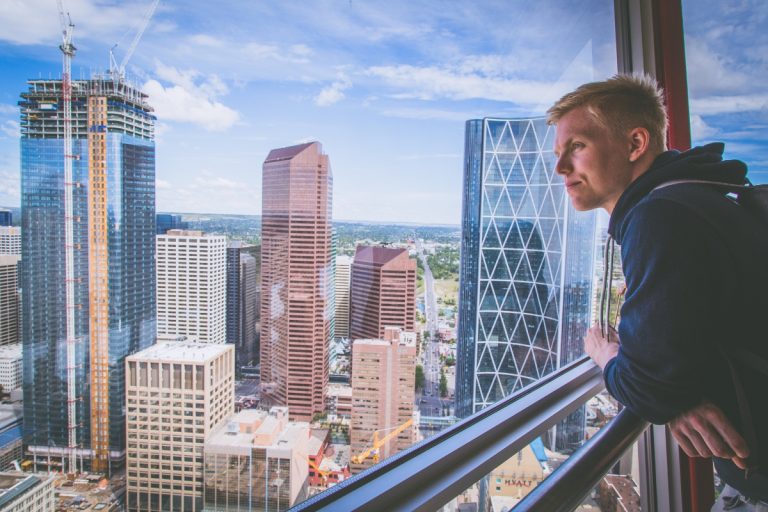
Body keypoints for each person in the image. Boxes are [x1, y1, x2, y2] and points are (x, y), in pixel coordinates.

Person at [546, 74, 768, 508]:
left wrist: (607, 355)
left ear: (635, 144)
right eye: (558, 154)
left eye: (577, 147)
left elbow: (651, 385)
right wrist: (674, 393)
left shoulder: (661, 217)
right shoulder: (701, 198)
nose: (560, 168)